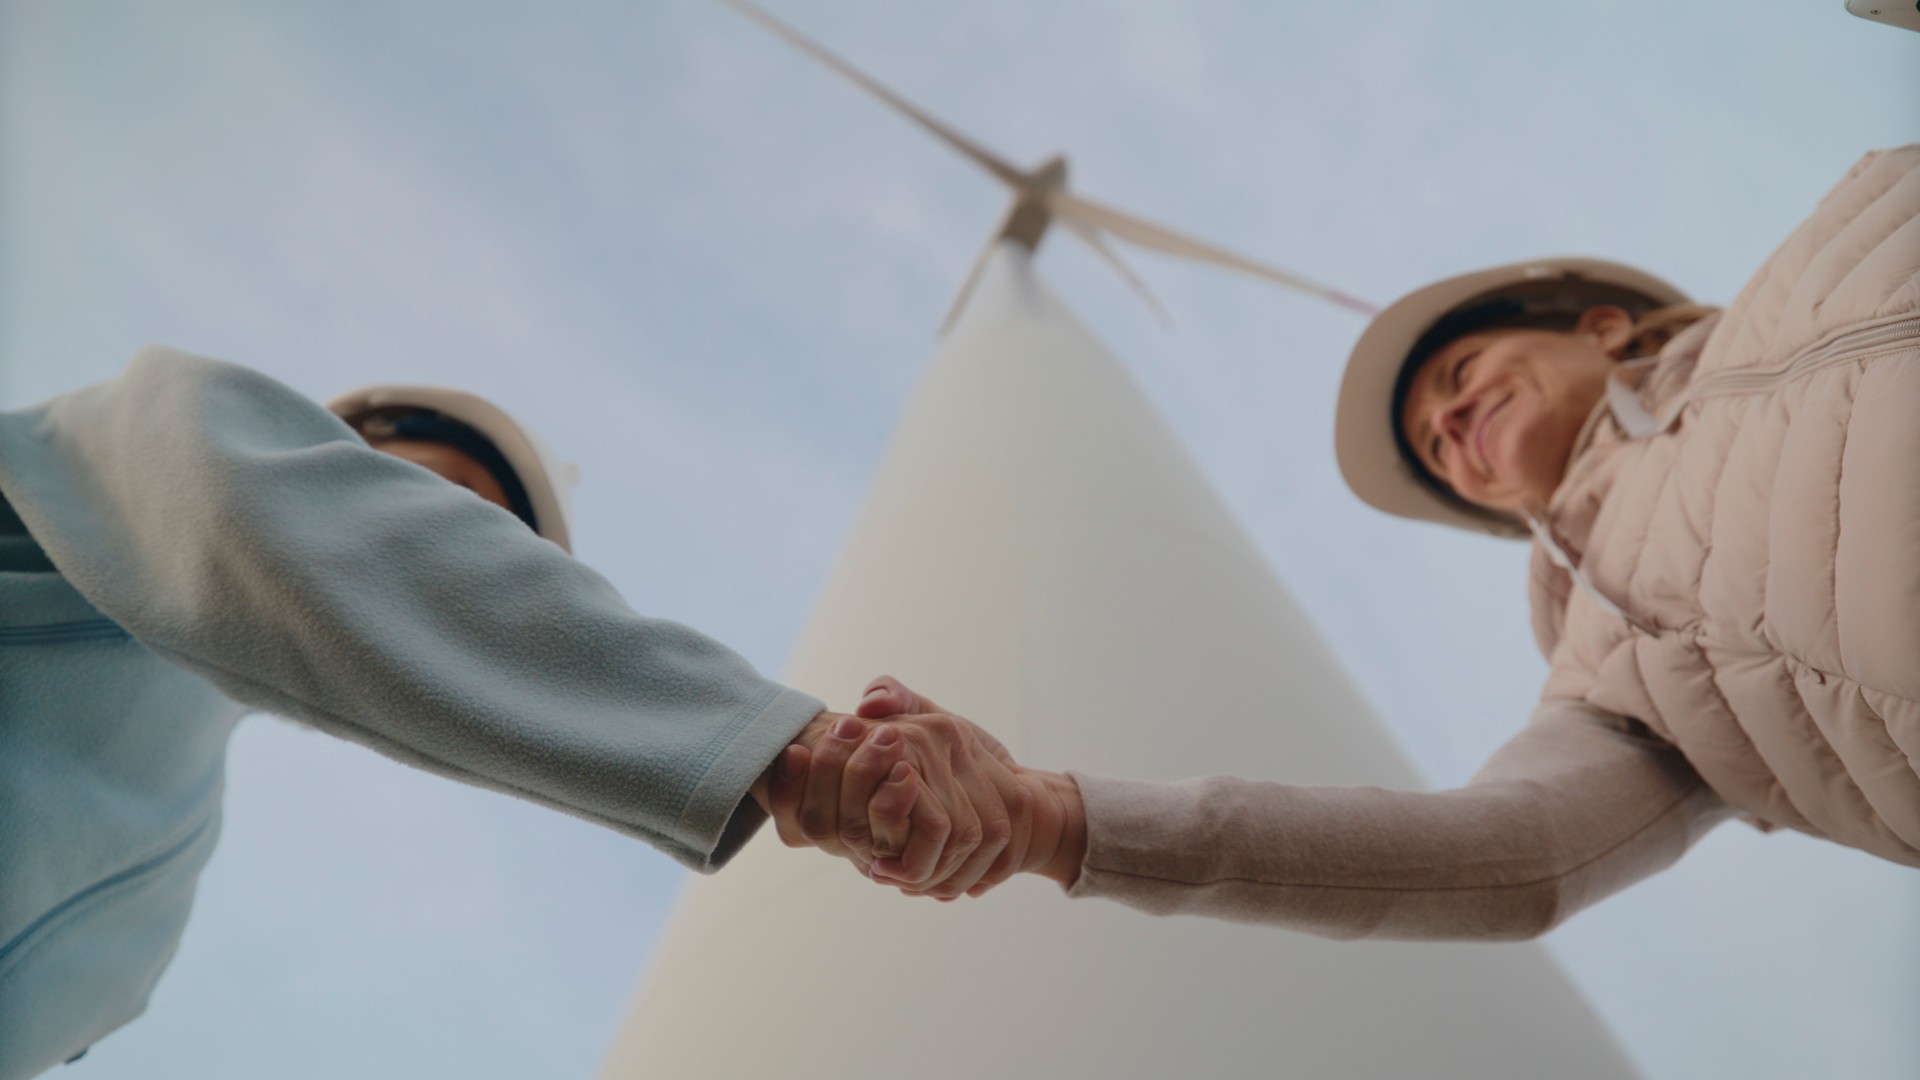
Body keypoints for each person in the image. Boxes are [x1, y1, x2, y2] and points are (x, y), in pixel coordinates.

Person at [772, 144, 1920, 925]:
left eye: (1461, 373)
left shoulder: (1849, 222)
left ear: (1600, 323)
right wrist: (1055, 818)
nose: (1450, 420)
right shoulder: (1611, 678)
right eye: (1437, 447)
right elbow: (1509, 858)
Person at [0, 349, 1017, 1079]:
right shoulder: (152, 427)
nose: (455, 565)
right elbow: (267, 519)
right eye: (434, 500)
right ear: (342, 438)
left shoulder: (157, 901)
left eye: (498, 551)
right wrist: (782, 747)